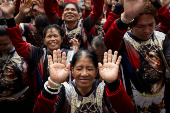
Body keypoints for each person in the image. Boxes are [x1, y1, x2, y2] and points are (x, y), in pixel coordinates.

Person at [104, 0, 170, 112]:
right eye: (141, 26)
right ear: (131, 25)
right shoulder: (124, 40)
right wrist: (125, 17)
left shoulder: (162, 38)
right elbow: (109, 40)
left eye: (151, 25)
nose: (147, 30)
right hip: (132, 105)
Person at [33, 49, 134, 113]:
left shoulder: (104, 89)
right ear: (72, 70)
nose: (84, 73)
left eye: (90, 69)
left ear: (96, 71)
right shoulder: (64, 89)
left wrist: (113, 84)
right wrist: (53, 84)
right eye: (79, 68)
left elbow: (128, 110)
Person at [0, 16, 35, 113]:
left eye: (5, 44)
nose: (2, 48)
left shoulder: (24, 52)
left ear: (12, 39)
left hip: (22, 101)